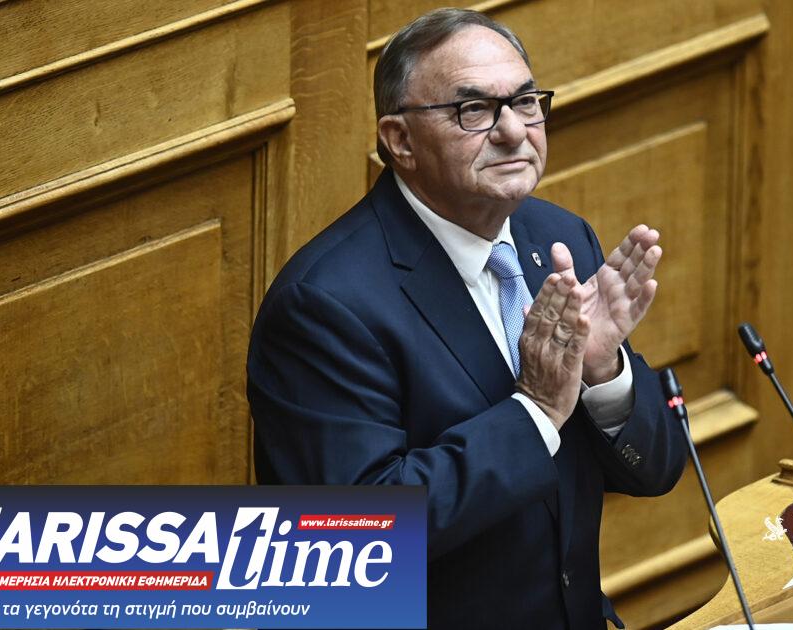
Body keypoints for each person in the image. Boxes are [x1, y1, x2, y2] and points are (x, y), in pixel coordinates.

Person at [246, 8, 687, 629]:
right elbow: (359, 539)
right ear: (400, 141)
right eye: (473, 110)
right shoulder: (324, 306)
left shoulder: (558, 238)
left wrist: (602, 373)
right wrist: (536, 411)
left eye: (526, 102)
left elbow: (658, 468)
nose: (513, 131)